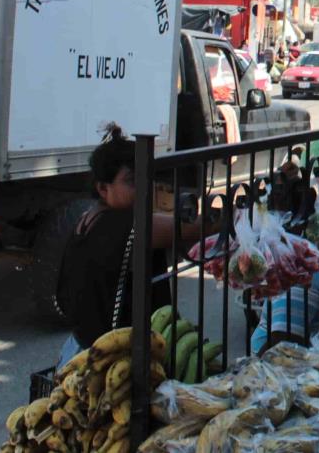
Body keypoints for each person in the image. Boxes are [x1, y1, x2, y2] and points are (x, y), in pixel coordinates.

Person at [55, 124, 213, 368]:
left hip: (84, 348)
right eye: (132, 181)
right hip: (109, 362)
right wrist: (233, 218)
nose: (145, 187)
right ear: (103, 188)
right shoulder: (125, 225)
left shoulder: (89, 218)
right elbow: (190, 228)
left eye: (146, 177)